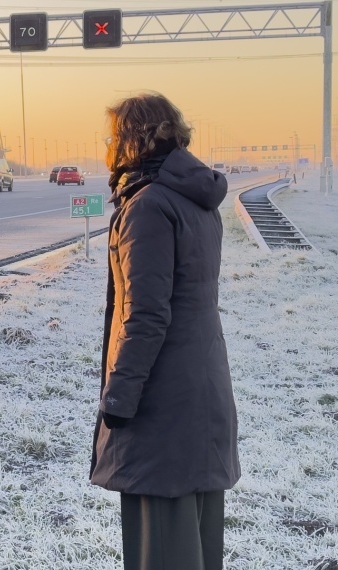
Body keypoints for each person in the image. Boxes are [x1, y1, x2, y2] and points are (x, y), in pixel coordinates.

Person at [90, 92, 240, 570]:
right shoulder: (194, 199)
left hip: (163, 404)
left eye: (113, 136)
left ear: (132, 140)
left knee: (162, 548)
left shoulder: (149, 206)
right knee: (196, 542)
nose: (108, 146)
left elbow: (146, 315)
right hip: (201, 390)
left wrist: (119, 398)